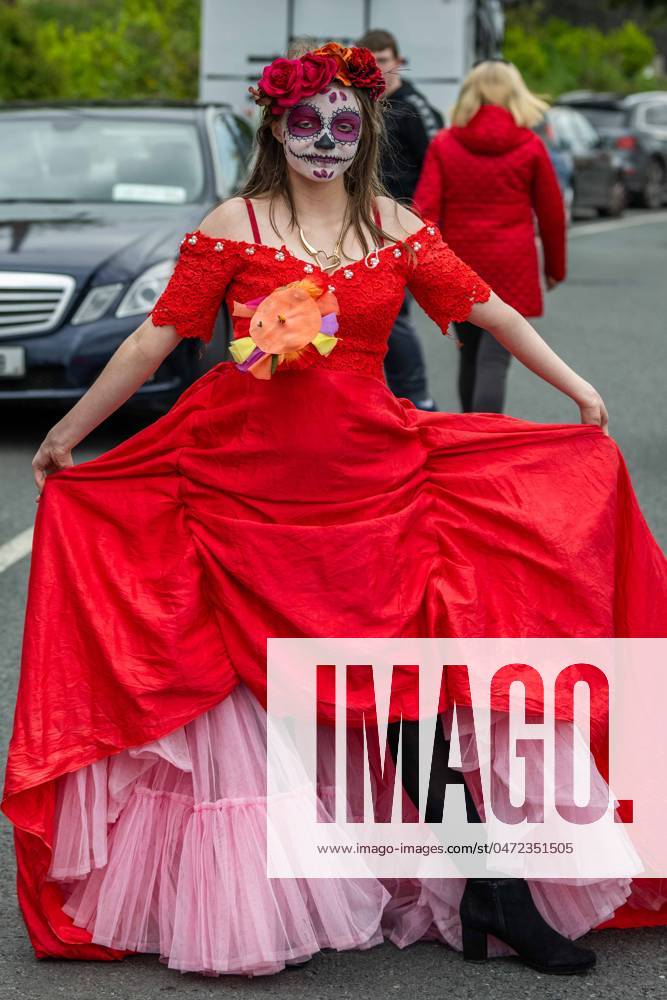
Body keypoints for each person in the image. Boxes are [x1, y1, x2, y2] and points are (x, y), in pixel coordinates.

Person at [3, 41, 667, 981]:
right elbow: (156, 340)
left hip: (372, 485)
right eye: (305, 123)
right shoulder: (235, 220)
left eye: (342, 126)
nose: (323, 141)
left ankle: (491, 887)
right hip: (238, 486)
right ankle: (260, 893)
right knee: (238, 690)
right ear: (277, 127)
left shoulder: (391, 224)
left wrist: (576, 385)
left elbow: (484, 307)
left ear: (365, 135)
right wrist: (67, 434)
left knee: (403, 681)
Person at [414, 60, 566, 414]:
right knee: (495, 361)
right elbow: (552, 214)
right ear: (516, 96)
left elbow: (425, 211)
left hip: (461, 265)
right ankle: (488, 436)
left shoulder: (445, 144)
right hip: (512, 266)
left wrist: (424, 270)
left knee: (469, 356)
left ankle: (471, 435)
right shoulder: (530, 145)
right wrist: (555, 269)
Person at [358, 27, 442, 411]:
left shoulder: (414, 107)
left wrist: (420, 221)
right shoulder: (359, 105)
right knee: (366, 312)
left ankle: (417, 397)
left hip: (402, 226)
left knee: (393, 314)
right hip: (359, 222)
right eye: (371, 63)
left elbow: (436, 168)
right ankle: (379, 397)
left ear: (399, 62)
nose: (379, 70)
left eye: (385, 62)